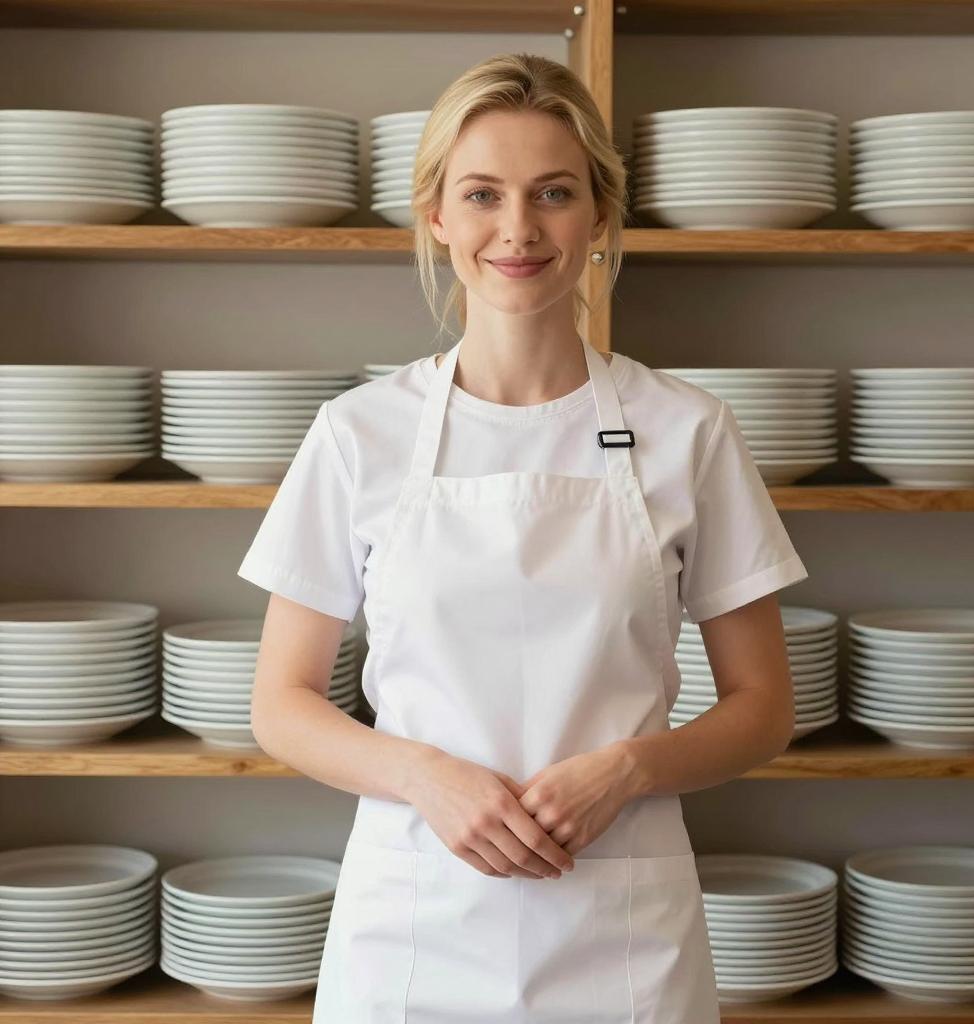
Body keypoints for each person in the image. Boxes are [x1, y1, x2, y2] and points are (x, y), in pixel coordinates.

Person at [237, 52, 808, 1024]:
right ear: (436, 218)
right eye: (482, 194)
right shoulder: (359, 432)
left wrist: (627, 767)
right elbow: (280, 704)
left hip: (619, 918)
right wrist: (424, 774)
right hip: (415, 917)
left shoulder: (688, 430)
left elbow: (762, 707)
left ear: (597, 215)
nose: (517, 228)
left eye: (553, 192)